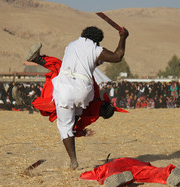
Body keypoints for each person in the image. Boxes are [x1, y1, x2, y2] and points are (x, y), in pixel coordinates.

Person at [26, 26, 129, 169]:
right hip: (84, 92)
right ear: (97, 40)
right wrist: (123, 37)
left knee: (65, 127)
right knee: (73, 116)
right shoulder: (96, 49)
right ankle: (73, 159)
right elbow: (118, 56)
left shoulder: (70, 46)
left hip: (65, 89)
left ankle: (74, 160)